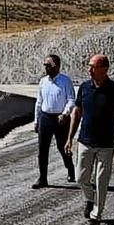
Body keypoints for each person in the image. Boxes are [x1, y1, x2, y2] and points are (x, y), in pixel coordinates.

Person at [65, 54, 114, 225]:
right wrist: (70, 138)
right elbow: (77, 113)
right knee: (80, 178)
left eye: (94, 67)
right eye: (89, 66)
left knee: (101, 181)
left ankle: (96, 217)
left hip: (107, 144)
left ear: (105, 69)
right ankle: (89, 198)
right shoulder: (84, 87)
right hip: (85, 140)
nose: (90, 70)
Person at [32, 54, 76, 189]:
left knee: (62, 147)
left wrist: (65, 113)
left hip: (60, 118)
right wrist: (36, 120)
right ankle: (43, 178)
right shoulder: (43, 82)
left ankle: (70, 169)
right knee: (42, 149)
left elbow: (71, 100)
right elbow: (39, 102)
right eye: (45, 65)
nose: (46, 68)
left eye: (48, 65)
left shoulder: (65, 81)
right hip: (45, 117)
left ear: (56, 67)